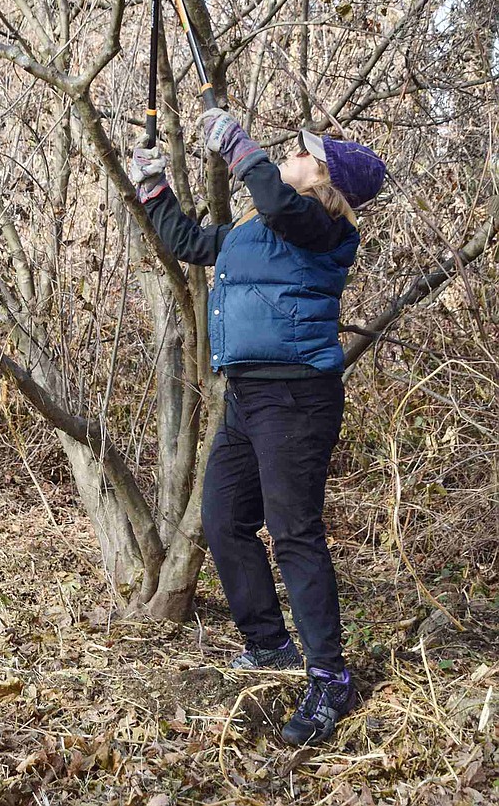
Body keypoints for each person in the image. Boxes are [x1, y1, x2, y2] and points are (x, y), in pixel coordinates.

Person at [129, 110, 386, 746]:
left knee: (294, 533)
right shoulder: (257, 229)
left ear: (322, 176)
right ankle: (268, 644)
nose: (289, 157)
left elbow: (274, 197)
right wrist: (154, 189)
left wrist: (239, 148)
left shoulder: (322, 227)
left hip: (297, 400)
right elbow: (189, 243)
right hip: (247, 398)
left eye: (301, 154)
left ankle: (330, 677)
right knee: (222, 518)